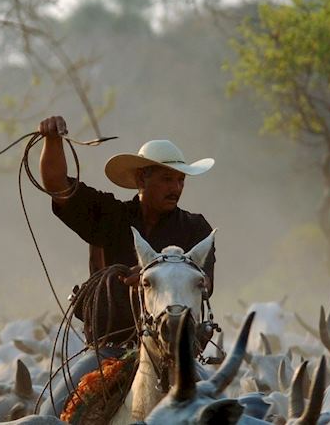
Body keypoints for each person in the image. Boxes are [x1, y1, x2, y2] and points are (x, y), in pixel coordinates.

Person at [37, 115, 216, 416]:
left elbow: (205, 284)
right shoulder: (109, 215)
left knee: (230, 409)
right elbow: (57, 185)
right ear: (141, 179)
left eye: (180, 179)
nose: (176, 187)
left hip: (178, 356)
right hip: (109, 351)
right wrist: (52, 140)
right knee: (49, 414)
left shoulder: (196, 230)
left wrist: (153, 276)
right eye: (167, 178)